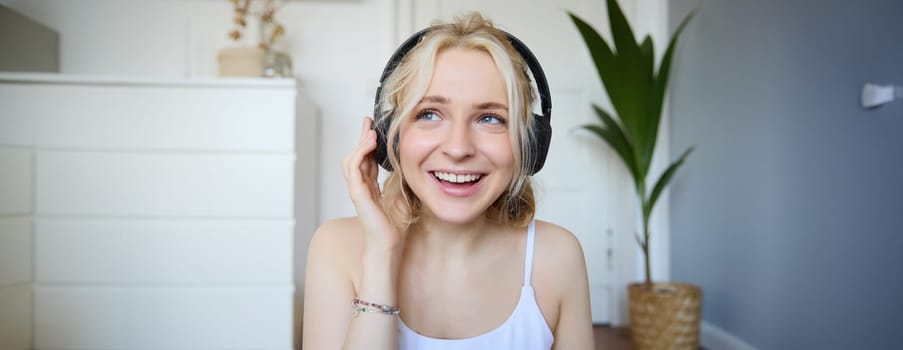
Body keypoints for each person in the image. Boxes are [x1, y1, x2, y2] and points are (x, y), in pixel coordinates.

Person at [302, 12, 594, 350]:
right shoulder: (337, 247)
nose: (458, 148)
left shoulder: (557, 257)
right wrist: (382, 254)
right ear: (388, 136)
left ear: (530, 143)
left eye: (490, 118)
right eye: (429, 114)